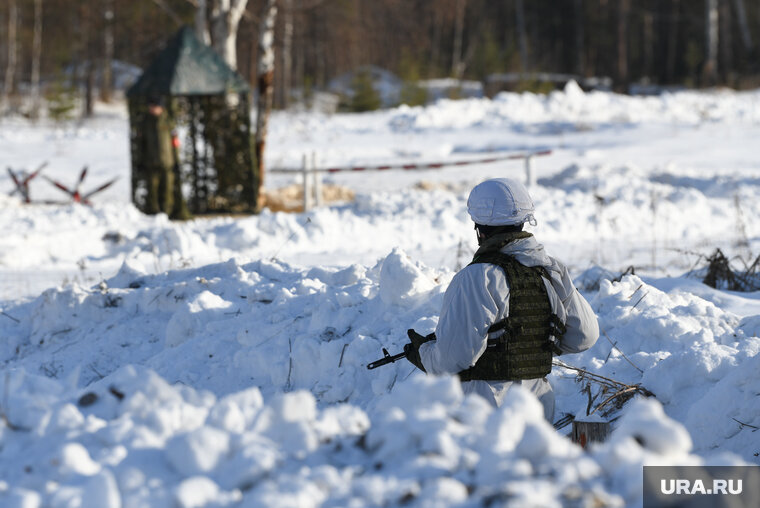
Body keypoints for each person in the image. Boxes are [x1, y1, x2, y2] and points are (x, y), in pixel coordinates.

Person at [405, 178, 599, 420]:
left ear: (479, 227)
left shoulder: (477, 277)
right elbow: (584, 337)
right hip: (538, 407)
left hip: (487, 411)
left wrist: (422, 353)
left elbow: (452, 359)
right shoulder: (549, 269)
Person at [141, 97, 176, 216]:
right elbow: (143, 143)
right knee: (152, 189)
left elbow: (174, 141)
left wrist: (175, 159)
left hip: (167, 161)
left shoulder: (168, 122)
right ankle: (153, 212)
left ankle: (167, 212)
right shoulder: (147, 122)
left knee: (167, 189)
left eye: (154, 106)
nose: (152, 109)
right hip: (152, 161)